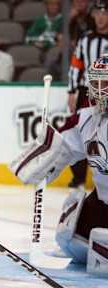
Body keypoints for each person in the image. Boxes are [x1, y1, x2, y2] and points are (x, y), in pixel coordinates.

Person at [10, 54, 108, 277]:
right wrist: (40, 160)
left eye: (106, 83)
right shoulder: (86, 118)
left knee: (102, 253)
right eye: (96, 83)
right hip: (103, 201)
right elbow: (61, 146)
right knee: (69, 235)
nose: (99, 90)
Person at [67, 0, 108, 188]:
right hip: (86, 93)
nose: (100, 17)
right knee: (78, 133)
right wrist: (72, 91)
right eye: (98, 13)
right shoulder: (85, 40)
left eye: (105, 13)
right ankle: (79, 178)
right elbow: (76, 65)